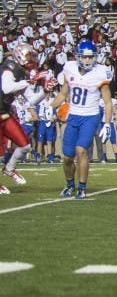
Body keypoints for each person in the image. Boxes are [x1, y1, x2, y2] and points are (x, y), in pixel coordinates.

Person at [51, 41, 114, 199]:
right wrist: (50, 106)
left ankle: (82, 187)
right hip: (73, 116)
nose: (87, 61)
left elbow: (107, 101)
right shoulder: (69, 68)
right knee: (67, 157)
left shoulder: (100, 72)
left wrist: (107, 123)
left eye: (90, 57)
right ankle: (70, 184)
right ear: (78, 57)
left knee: (81, 151)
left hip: (90, 116)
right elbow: (63, 93)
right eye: (85, 57)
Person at [0, 46, 52, 193]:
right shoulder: (10, 67)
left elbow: (31, 100)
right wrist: (30, 81)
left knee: (25, 145)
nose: (31, 62)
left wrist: (45, 91)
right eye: (29, 58)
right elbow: (6, 88)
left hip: (5, 113)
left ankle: (9, 169)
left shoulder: (23, 74)